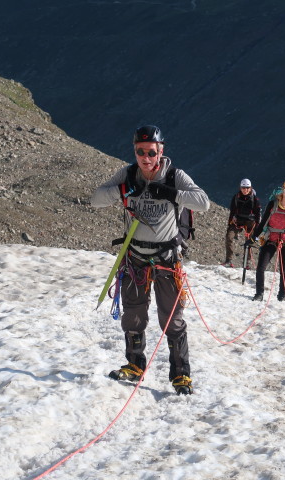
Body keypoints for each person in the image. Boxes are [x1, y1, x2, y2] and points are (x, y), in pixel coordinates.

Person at [91, 125, 210, 395]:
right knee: (133, 315)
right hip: (135, 259)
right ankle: (134, 366)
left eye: (151, 152)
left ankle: (181, 375)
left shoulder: (174, 176)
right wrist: (123, 189)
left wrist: (171, 194)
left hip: (166, 258)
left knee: (172, 318)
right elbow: (96, 199)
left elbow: (203, 202)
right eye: (140, 152)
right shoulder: (128, 174)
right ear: (135, 151)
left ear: (161, 151)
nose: (146, 158)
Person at [249, 179, 285, 302]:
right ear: (282, 191)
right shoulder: (273, 205)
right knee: (261, 267)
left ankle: (282, 295)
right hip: (271, 239)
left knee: (284, 270)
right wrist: (253, 238)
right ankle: (259, 293)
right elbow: (262, 223)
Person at [223, 178, 261, 268]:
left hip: (250, 222)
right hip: (238, 221)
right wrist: (230, 224)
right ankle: (229, 260)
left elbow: (258, 214)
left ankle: (246, 263)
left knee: (249, 242)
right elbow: (232, 211)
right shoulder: (236, 197)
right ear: (240, 188)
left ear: (250, 188)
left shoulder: (255, 199)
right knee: (229, 237)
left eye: (247, 188)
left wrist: (257, 228)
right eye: (243, 188)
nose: (245, 190)